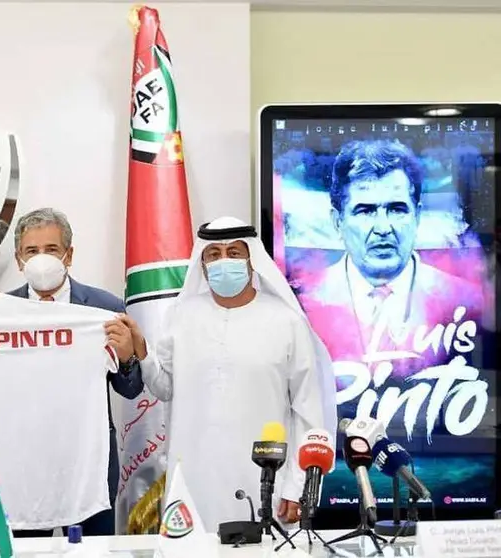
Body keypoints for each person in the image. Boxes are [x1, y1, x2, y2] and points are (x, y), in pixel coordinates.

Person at [121, 217, 337, 528]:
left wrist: (297, 486)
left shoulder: (286, 321)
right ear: (203, 264)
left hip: (264, 482)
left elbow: (308, 410)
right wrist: (142, 352)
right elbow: (165, 387)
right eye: (213, 254)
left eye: (234, 253)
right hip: (194, 480)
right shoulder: (182, 314)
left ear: (252, 260)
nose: (224, 261)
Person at [0, 207, 145, 537]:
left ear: (69, 254)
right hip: (22, 465)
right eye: (31, 251)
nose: (41, 259)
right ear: (19, 259)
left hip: (88, 464)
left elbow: (132, 389)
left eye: (51, 249)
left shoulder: (104, 307)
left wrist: (126, 359)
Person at [298, 139, 484, 375]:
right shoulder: (302, 304)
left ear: (417, 215)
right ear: (337, 221)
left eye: (397, 209)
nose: (383, 228)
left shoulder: (466, 301)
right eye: (366, 210)